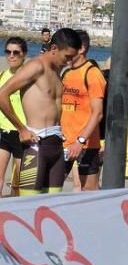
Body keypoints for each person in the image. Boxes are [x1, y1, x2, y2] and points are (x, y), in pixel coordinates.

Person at [0, 28, 80, 196]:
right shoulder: (36, 66)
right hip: (36, 146)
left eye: (72, 57)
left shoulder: (58, 71)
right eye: (67, 57)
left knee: (53, 205)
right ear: (54, 49)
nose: (69, 62)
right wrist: (21, 129)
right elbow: (2, 95)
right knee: (29, 206)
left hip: (56, 146)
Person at [60, 29, 107, 191]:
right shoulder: (66, 73)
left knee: (88, 192)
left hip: (86, 145)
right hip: (63, 142)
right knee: (52, 188)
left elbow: (98, 113)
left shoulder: (92, 73)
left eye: (69, 46)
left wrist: (80, 141)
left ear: (81, 49)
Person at [0, 37, 28, 196]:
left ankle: (15, 213)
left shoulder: (27, 77)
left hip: (21, 133)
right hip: (3, 132)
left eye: (16, 52)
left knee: (19, 184)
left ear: (23, 54)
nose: (11, 56)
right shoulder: (3, 75)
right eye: (8, 52)